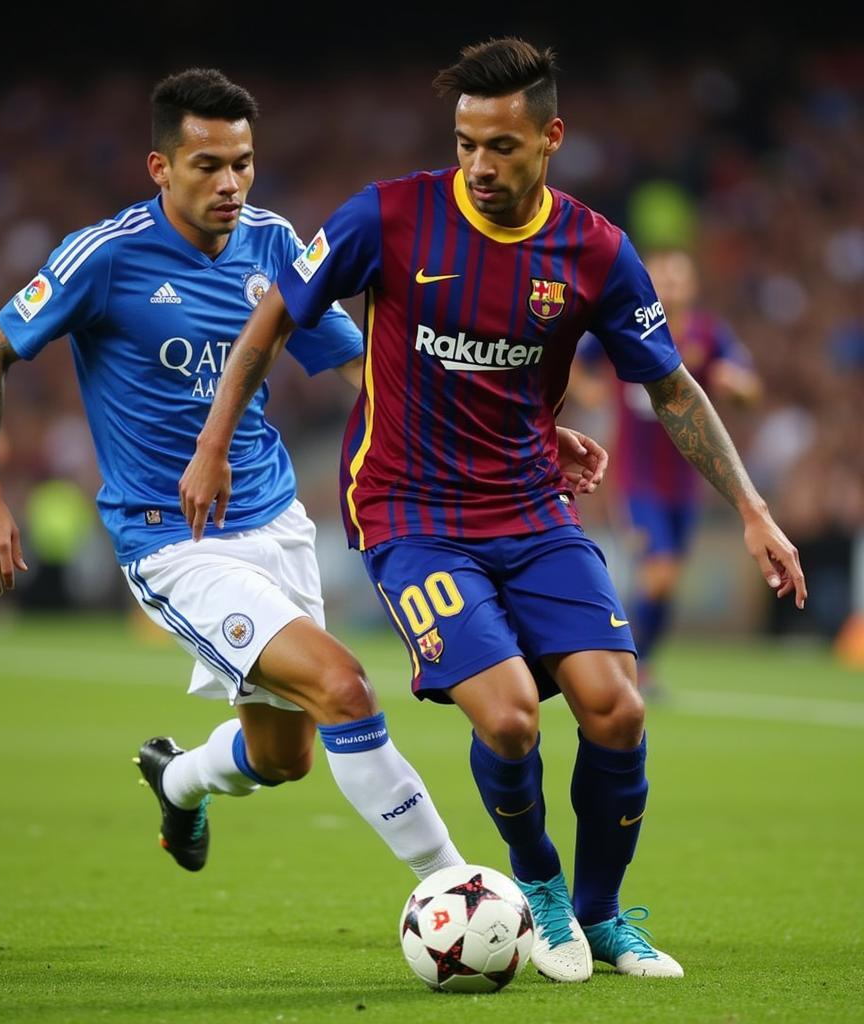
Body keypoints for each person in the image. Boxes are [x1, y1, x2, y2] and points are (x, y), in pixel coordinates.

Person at [181, 39, 806, 982]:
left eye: (503, 146)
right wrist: (213, 443)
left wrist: (755, 510)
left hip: (531, 508)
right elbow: (274, 318)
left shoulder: (595, 250)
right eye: (467, 142)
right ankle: (540, 888)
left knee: (618, 708)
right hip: (409, 512)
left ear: (551, 138)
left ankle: (600, 915)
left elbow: (673, 389)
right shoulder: (389, 215)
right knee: (511, 719)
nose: (480, 163)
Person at [0, 68, 512, 887]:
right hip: (174, 542)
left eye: (243, 164)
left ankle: (177, 779)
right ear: (161, 169)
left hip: (276, 521)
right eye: (208, 165)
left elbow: (360, 369)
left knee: (282, 756)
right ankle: (464, 890)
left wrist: (498, 440)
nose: (230, 183)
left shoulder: (274, 243)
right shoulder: (105, 257)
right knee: (345, 687)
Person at [571, 248, 762, 694]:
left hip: (685, 482)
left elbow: (750, 386)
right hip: (636, 480)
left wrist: (739, 388)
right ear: (649, 283)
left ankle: (644, 663)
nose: (670, 287)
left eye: (679, 279)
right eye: (663, 278)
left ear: (692, 286)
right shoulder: (625, 324)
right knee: (658, 572)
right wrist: (589, 390)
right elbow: (579, 361)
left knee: (668, 578)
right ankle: (631, 665)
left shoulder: (710, 336)